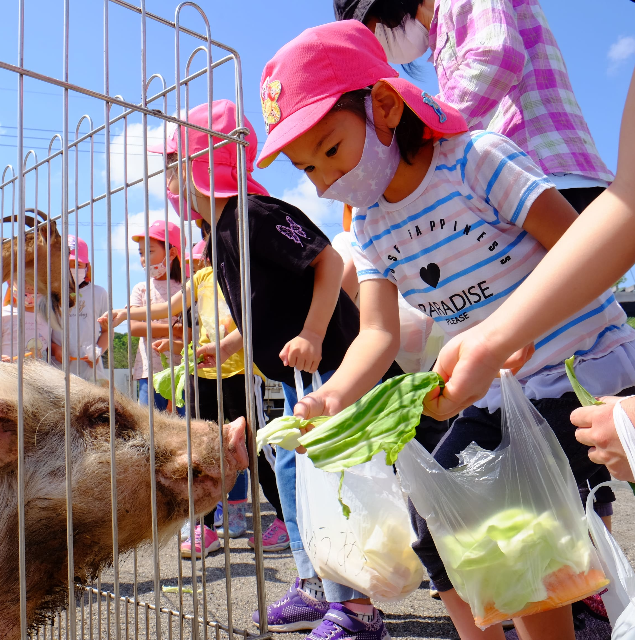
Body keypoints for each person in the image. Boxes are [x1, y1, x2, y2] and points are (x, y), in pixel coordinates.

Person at [256, 21, 635, 640]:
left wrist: (519, 324)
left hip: (578, 367)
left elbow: (579, 245)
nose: (325, 180)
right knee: (435, 515)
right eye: (308, 169)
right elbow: (377, 336)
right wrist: (330, 400)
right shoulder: (369, 228)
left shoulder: (477, 160)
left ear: (384, 106)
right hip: (495, 386)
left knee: (512, 522)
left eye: (331, 151)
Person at [144, 98, 404, 638]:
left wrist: (311, 333)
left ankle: (356, 608)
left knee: (338, 474)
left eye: (172, 165)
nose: (167, 181)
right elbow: (263, 306)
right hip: (297, 379)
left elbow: (327, 260)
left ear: (198, 163)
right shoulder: (217, 236)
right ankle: (316, 584)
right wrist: (233, 342)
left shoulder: (251, 214)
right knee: (291, 472)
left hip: (334, 368)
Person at [421, 2, 635, 424]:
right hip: (552, 180)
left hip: (545, 171)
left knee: (576, 345)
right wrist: (489, 342)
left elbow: (497, 55)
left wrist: (425, 143)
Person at [334, 0, 614, 215]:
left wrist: (420, 130)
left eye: (376, 31)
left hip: (548, 171)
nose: (381, 46)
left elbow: (497, 55)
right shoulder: (444, 34)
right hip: (525, 181)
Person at [101, 251, 286, 558]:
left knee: (255, 447)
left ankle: (284, 518)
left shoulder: (250, 275)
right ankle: (204, 528)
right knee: (202, 448)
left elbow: (261, 318)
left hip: (242, 372)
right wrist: (126, 315)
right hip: (201, 371)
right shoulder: (201, 278)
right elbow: (168, 306)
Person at [128, 220, 186, 412]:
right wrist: (176, 330)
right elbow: (134, 327)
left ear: (172, 253)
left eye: (149, 251)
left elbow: (193, 332)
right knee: (149, 430)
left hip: (184, 372)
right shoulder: (141, 288)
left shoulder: (188, 286)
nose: (143, 258)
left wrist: (180, 332)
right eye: (141, 253)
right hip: (150, 372)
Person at [52, 236, 109, 382]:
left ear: (87, 267)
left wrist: (98, 351)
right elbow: (42, 333)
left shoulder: (99, 293)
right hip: (57, 373)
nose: (72, 269)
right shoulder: (50, 294)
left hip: (91, 373)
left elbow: (108, 331)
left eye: (78, 264)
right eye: (66, 264)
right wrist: (54, 349)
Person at [0, 281, 57, 363]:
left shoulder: (48, 317)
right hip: (9, 373)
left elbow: (46, 347)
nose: (29, 286)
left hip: (39, 374)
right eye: (24, 280)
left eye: (34, 280)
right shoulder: (2, 315)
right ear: (11, 283)